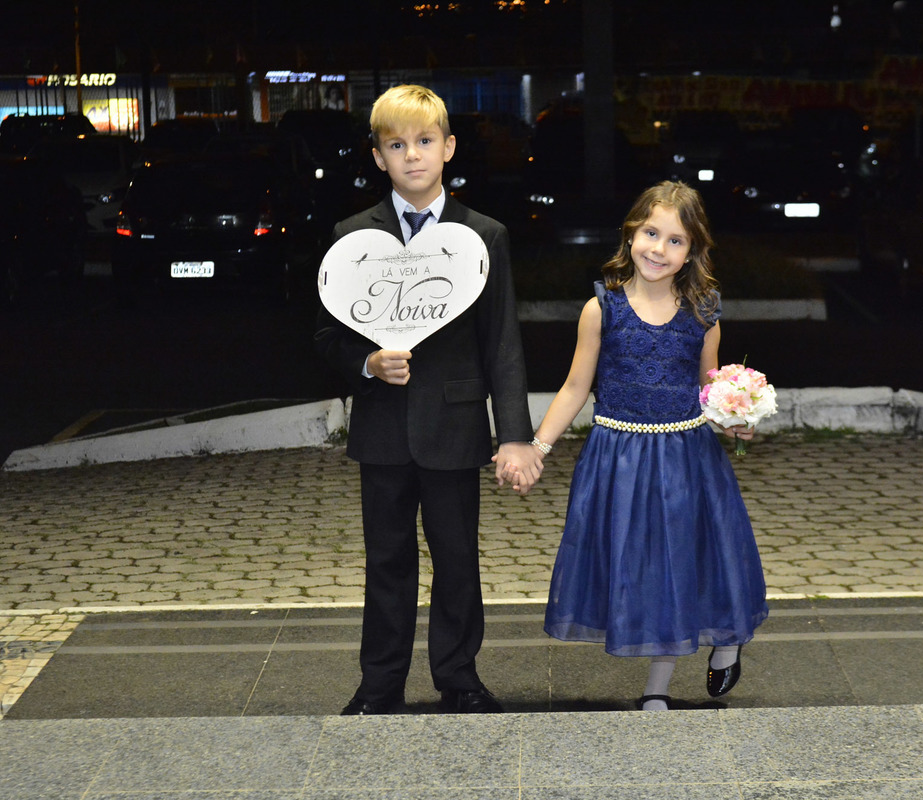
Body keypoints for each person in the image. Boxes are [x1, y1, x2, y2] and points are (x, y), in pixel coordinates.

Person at [314, 84, 542, 716]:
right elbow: (326, 334)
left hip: (455, 425)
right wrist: (365, 361)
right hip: (384, 430)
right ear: (378, 157)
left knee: (457, 560)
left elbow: (503, 344)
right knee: (386, 563)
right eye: (396, 145)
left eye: (423, 142)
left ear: (448, 149)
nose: (411, 156)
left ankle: (459, 678)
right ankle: (379, 684)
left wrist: (515, 434)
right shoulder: (352, 236)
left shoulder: (483, 235)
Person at [523, 180, 768, 710]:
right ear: (631, 232)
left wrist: (735, 419)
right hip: (620, 462)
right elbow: (574, 388)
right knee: (651, 572)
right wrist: (537, 448)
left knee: (688, 562)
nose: (659, 249)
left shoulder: (703, 312)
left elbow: (710, 387)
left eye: (675, 240)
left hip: (687, 460)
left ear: (691, 251)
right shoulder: (601, 309)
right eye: (651, 233)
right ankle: (658, 689)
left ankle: (721, 646)